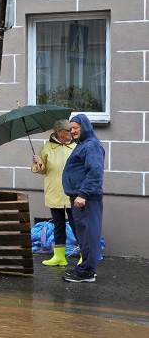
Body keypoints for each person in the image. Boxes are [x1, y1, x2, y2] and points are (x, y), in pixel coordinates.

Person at [61, 114, 104, 283]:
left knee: (89, 237)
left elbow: (95, 172)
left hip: (86, 199)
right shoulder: (84, 145)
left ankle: (86, 272)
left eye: (76, 128)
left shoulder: (91, 146)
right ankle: (86, 270)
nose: (72, 131)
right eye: (71, 128)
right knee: (84, 236)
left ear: (84, 127)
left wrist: (83, 194)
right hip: (80, 198)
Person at [31, 119, 76, 267]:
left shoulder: (77, 147)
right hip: (54, 192)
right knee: (58, 225)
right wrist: (38, 163)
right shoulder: (47, 148)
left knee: (76, 225)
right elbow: (41, 170)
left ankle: (85, 256)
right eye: (68, 131)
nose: (72, 133)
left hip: (72, 193)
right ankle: (59, 256)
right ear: (59, 132)